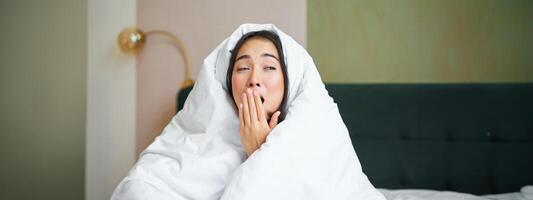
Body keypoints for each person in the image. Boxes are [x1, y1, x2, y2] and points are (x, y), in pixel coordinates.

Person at [111, 23, 385, 200]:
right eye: (243, 68)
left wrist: (262, 154)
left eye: (269, 67)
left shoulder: (316, 131)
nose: (254, 78)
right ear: (228, 83)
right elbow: (139, 188)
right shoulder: (198, 136)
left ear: (288, 79)